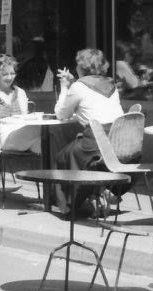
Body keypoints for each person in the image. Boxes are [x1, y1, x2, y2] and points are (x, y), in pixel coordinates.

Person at [54, 48, 125, 216]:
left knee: (64, 155)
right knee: (74, 150)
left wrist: (65, 87)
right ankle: (101, 192)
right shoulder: (111, 84)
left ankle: (73, 204)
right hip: (119, 141)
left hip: (96, 142)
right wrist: (75, 83)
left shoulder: (78, 87)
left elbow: (61, 114)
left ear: (81, 67)